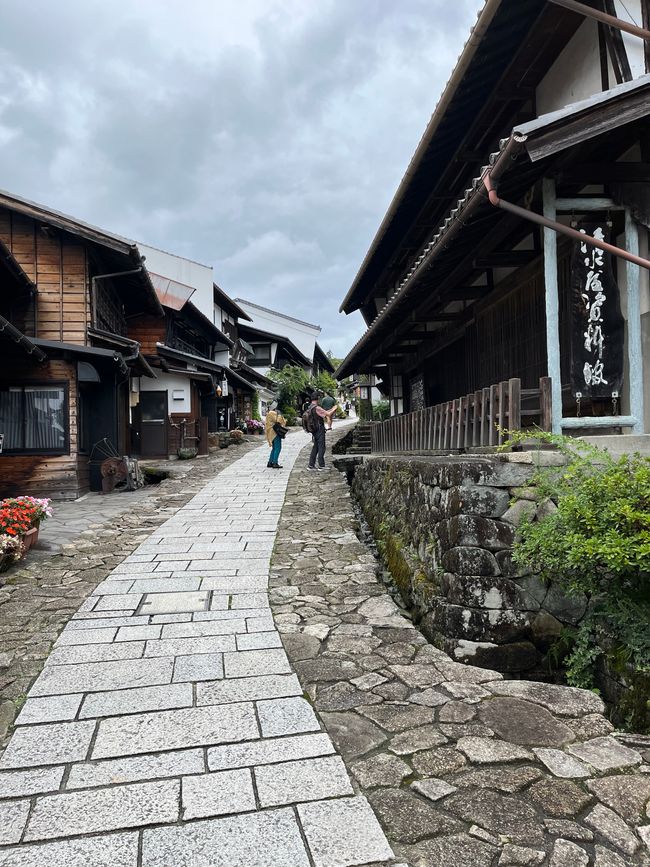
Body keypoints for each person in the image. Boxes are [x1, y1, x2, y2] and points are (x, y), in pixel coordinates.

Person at [306, 392, 336, 471]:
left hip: (314, 429)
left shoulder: (310, 407)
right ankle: (321, 465)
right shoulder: (317, 408)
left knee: (315, 447)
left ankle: (311, 465)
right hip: (319, 429)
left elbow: (324, 412)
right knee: (321, 447)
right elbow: (328, 414)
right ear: (318, 398)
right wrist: (334, 408)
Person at [265, 401, 286, 469]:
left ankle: (270, 462)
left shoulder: (268, 413)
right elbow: (279, 421)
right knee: (278, 447)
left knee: (274, 448)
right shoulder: (273, 413)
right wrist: (280, 415)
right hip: (275, 432)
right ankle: (275, 462)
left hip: (270, 433)